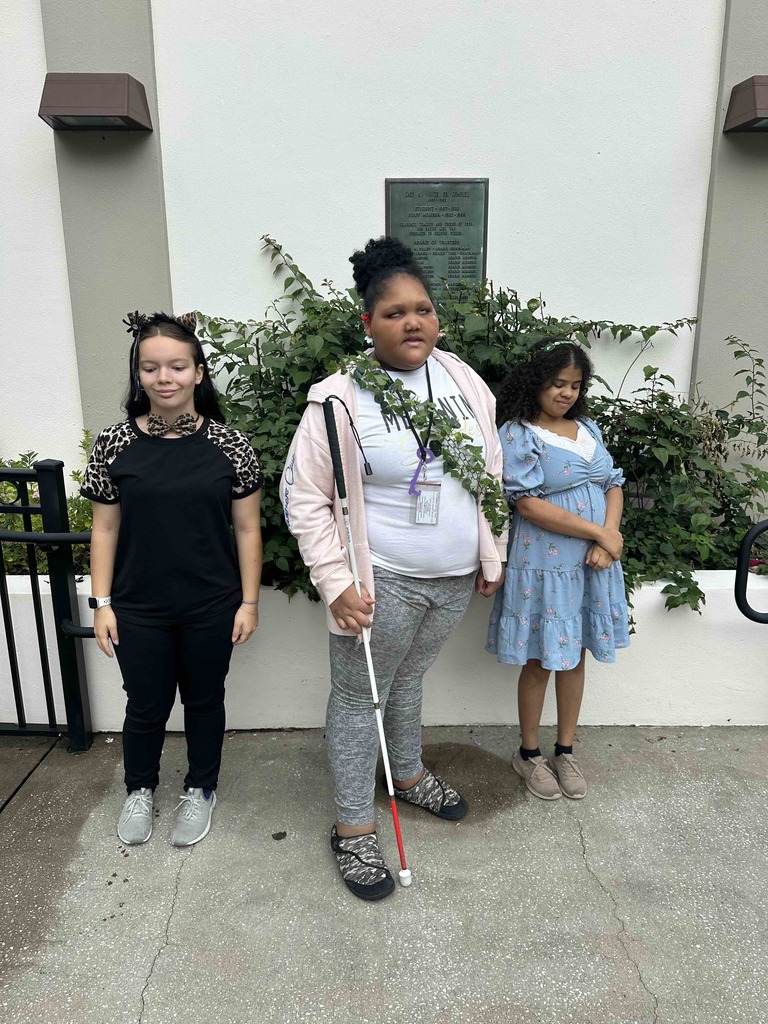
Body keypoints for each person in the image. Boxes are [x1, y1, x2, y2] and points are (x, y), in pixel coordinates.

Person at [280, 237, 507, 901]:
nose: (413, 322)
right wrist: (338, 583)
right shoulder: (339, 399)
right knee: (359, 699)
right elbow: (306, 499)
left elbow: (489, 469)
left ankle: (405, 778)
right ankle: (353, 829)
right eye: (395, 313)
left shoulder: (465, 380)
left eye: (424, 309)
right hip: (382, 582)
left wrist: (490, 547)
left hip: (453, 580)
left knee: (408, 681)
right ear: (367, 324)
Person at [81, 311, 263, 847]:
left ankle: (201, 788)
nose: (165, 377)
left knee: (205, 701)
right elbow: (104, 529)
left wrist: (249, 602)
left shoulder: (232, 448)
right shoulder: (113, 446)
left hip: (212, 603)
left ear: (199, 373)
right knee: (145, 705)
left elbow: (248, 530)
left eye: (177, 366)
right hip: (138, 607)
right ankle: (139, 789)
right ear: (138, 375)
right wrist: (101, 603)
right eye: (151, 367)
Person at [486, 338, 630, 800]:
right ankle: (528, 754)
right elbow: (526, 504)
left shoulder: (587, 427)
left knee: (577, 654)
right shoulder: (518, 432)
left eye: (575, 385)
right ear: (537, 383)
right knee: (540, 658)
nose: (566, 393)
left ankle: (564, 749)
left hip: (592, 562)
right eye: (557, 383)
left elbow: (612, 484)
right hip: (545, 562)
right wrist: (599, 534)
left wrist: (609, 537)